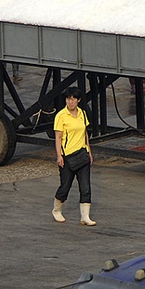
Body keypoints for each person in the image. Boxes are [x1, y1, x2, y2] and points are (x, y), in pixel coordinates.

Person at [52, 87, 96, 226]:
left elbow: (85, 134)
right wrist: (59, 156)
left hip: (81, 154)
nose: (70, 102)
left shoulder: (82, 113)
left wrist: (89, 151)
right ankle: (57, 210)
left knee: (85, 187)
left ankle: (85, 216)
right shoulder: (61, 116)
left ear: (78, 100)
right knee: (65, 186)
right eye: (68, 99)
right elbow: (58, 137)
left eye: (73, 99)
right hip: (67, 157)